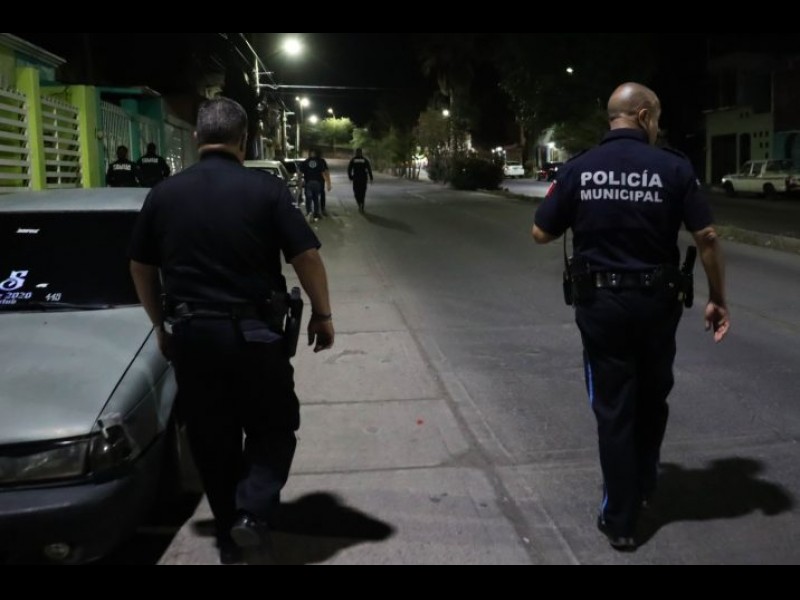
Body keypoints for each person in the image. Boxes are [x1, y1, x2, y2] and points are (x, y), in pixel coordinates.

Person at [128, 97, 335, 565]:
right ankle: (252, 511)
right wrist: (322, 315)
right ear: (244, 140)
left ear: (197, 137)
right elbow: (306, 256)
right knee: (274, 426)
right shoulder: (266, 190)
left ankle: (229, 535)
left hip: (193, 337)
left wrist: (160, 324)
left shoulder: (164, 194)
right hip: (255, 335)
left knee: (211, 438)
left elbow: (140, 266)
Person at [532, 83, 731, 552]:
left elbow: (541, 232)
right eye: (656, 117)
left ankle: (620, 520)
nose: (657, 126)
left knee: (614, 407)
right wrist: (717, 297)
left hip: (601, 306)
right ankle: (643, 482)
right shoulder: (674, 167)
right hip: (658, 304)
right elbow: (706, 236)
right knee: (652, 396)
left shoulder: (579, 167)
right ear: (643, 116)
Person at [300, 149, 332, 221]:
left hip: (311, 182)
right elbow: (325, 172)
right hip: (318, 182)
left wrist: (300, 183)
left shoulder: (306, 161)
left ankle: (311, 212)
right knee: (316, 198)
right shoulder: (320, 161)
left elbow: (300, 172)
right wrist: (328, 183)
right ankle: (316, 213)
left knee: (310, 197)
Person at [348, 148, 374, 214]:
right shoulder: (365, 160)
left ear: (356, 153)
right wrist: (371, 177)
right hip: (363, 178)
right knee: (362, 192)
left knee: (356, 192)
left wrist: (350, 177)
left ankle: (359, 203)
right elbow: (369, 169)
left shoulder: (353, 160)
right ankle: (361, 203)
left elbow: (349, 169)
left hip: (356, 178)